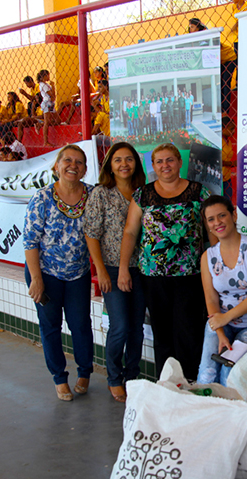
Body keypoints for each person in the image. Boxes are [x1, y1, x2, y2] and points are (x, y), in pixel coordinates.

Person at [117, 143, 214, 380]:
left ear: (180, 163)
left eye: (170, 160)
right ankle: (167, 382)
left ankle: (191, 381)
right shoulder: (142, 195)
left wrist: (215, 266)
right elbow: (130, 232)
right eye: (159, 162)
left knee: (188, 331)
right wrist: (123, 268)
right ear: (153, 166)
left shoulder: (199, 193)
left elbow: (211, 230)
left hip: (190, 276)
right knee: (162, 333)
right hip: (152, 277)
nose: (165, 166)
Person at [23, 145, 94, 401]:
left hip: (78, 274)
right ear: (57, 166)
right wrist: (37, 280)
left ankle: (85, 371)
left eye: (78, 162)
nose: (72, 165)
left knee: (80, 325)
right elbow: (30, 241)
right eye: (67, 160)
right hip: (46, 274)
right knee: (51, 327)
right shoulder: (41, 198)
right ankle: (59, 378)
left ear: (85, 169)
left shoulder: (93, 195)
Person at [83, 143, 146, 402]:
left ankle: (132, 375)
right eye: (118, 160)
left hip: (141, 268)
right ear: (110, 164)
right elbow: (91, 233)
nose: (124, 164)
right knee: (119, 325)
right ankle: (113, 377)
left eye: (129, 159)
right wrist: (101, 271)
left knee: (137, 327)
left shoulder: (143, 192)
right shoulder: (101, 193)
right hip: (111, 266)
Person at [196, 195, 247, 386]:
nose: (217, 223)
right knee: (207, 374)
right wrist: (221, 331)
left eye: (222, 216)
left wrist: (225, 317)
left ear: (234, 215)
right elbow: (211, 300)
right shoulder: (208, 257)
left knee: (229, 375)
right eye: (211, 219)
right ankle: (207, 413)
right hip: (222, 323)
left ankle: (230, 414)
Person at [37, 70, 62, 147]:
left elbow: (53, 97)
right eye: (47, 75)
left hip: (50, 103)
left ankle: (41, 124)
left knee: (58, 120)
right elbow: (52, 95)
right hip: (47, 103)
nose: (49, 77)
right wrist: (53, 87)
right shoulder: (43, 85)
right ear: (44, 76)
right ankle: (45, 141)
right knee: (47, 122)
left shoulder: (45, 84)